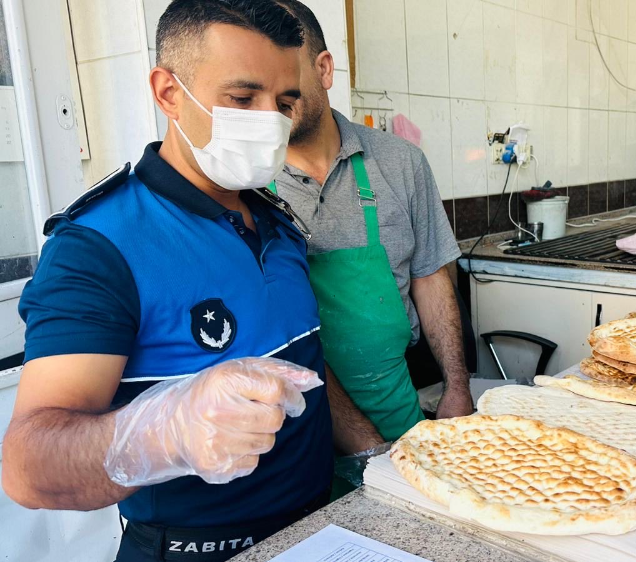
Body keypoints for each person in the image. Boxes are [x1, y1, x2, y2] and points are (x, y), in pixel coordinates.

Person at [1, 1, 380, 560]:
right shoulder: (101, 246)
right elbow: (28, 468)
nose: (270, 121)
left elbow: (304, 366)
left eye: (284, 103)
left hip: (318, 531)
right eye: (242, 98)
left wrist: (378, 457)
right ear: (169, 92)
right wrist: (167, 431)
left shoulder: (278, 224)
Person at [270, 1, 474, 443]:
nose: (272, 100)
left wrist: (457, 387)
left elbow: (430, 277)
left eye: (285, 75)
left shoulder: (401, 163)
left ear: (324, 69)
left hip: (396, 406)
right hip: (299, 432)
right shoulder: (244, 185)